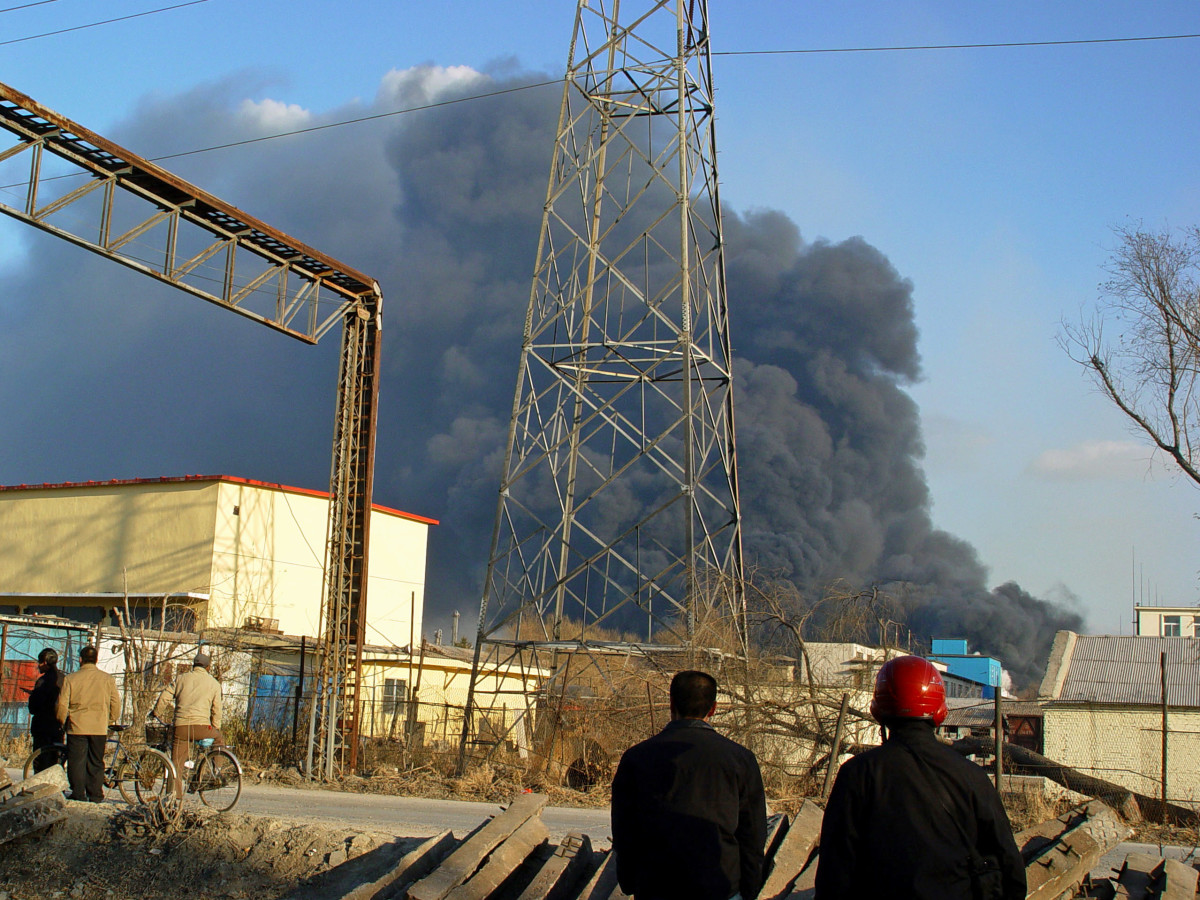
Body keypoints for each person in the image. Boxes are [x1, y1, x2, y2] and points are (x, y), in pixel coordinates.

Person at [815, 655, 1026, 900]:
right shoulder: (971, 776)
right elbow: (1011, 869)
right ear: (941, 711)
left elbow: (835, 874)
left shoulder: (857, 775)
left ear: (877, 710)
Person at [611, 670, 767, 900]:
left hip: (655, 885)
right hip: (719, 885)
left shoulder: (636, 758)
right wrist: (750, 889)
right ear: (713, 709)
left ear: (671, 703)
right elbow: (753, 834)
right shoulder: (740, 759)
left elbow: (624, 830)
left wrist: (630, 881)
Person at [154, 650, 224, 797]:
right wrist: (215, 727)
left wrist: (156, 713)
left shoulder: (180, 679)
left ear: (193, 665)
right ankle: (217, 769)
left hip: (181, 727)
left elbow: (165, 696)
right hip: (202, 728)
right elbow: (217, 709)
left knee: (176, 764)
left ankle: (175, 796)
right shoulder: (214, 683)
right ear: (208, 667)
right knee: (218, 738)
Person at [55, 644, 121, 802]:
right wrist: (109, 719)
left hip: (77, 726)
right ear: (96, 660)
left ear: (80, 660)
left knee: (77, 762)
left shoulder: (70, 679)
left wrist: (61, 720)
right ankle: (96, 794)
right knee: (96, 761)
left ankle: (78, 793)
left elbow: (62, 705)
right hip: (99, 727)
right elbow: (116, 704)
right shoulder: (107, 679)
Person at [26, 647, 66, 773]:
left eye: (39, 662)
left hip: (42, 727)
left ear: (44, 662)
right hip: (59, 726)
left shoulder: (42, 681)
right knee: (56, 761)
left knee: (40, 762)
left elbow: (33, 707)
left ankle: (40, 788)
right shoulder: (64, 679)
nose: (38, 665)